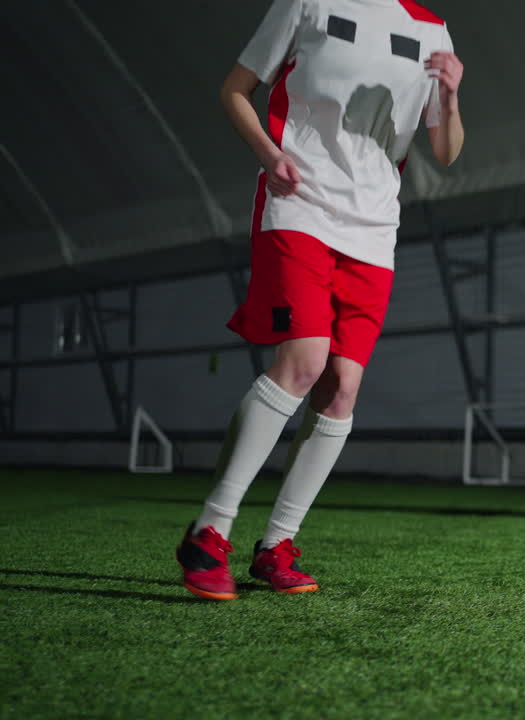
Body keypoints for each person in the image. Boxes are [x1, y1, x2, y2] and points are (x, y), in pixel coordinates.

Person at [176, 0, 464, 600]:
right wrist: (268, 154)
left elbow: (445, 151)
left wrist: (452, 96)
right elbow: (235, 91)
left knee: (342, 389)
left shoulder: (431, 29)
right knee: (303, 364)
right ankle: (209, 530)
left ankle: (276, 545)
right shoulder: (308, 3)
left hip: (374, 228)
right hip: (299, 205)